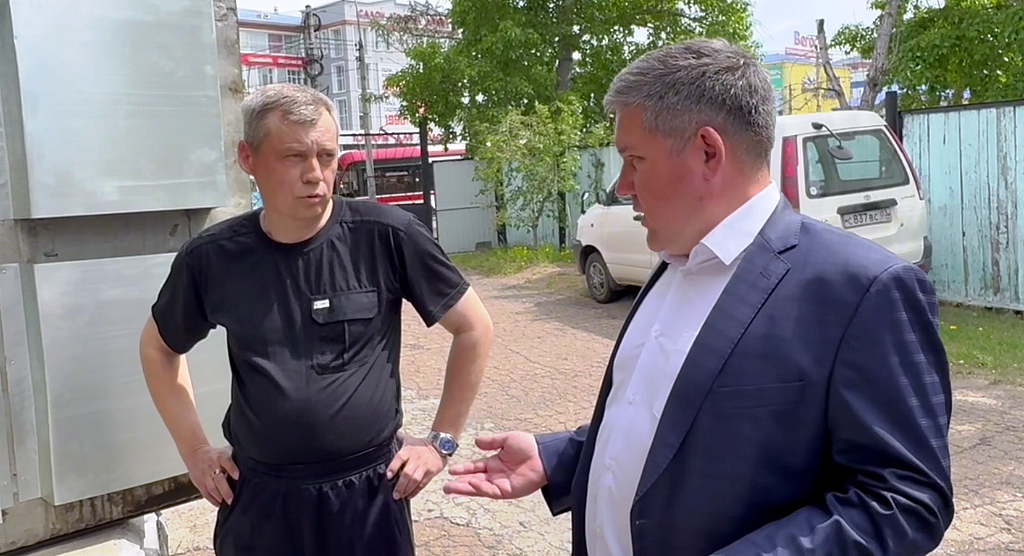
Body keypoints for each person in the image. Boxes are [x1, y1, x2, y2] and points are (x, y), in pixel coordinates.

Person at [443, 38, 954, 556]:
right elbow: (668, 425)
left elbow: (904, 500)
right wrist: (559, 458)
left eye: (634, 160)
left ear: (708, 151)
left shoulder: (863, 291)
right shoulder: (674, 262)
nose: (623, 186)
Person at [139, 83, 493, 556]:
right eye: (294, 157)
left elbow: (474, 327)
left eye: (327, 156)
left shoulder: (386, 237)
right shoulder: (213, 258)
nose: (315, 174)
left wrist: (439, 443)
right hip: (262, 500)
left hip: (368, 497)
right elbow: (159, 348)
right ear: (248, 158)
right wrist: (196, 451)